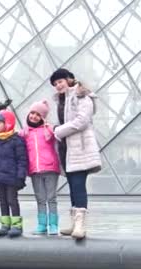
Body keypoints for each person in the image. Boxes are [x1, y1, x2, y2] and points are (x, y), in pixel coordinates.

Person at [50, 68, 102, 240]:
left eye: (60, 81)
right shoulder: (61, 100)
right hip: (67, 149)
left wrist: (58, 130)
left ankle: (80, 225)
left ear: (69, 79)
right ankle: (74, 223)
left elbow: (81, 121)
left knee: (78, 185)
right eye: (55, 83)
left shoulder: (81, 96)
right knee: (73, 186)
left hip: (80, 148)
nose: (58, 85)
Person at [19, 100, 61, 235]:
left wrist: (51, 128)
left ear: (42, 117)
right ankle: (42, 225)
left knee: (51, 198)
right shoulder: (25, 133)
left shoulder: (48, 130)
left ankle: (53, 225)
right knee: (40, 199)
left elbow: (60, 136)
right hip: (35, 170)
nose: (34, 116)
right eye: (32, 113)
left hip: (50, 169)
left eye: (38, 114)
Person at [0, 110, 28, 238]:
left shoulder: (17, 140)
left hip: (12, 177)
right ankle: (5, 224)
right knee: (3, 201)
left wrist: (21, 176)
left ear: (8, 123)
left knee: (12, 200)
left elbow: (22, 159)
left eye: (0, 122)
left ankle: (17, 225)